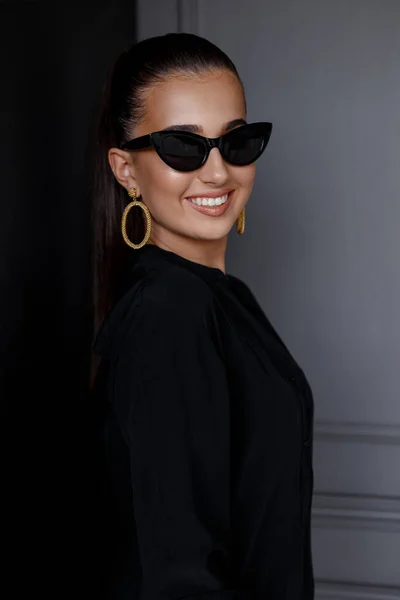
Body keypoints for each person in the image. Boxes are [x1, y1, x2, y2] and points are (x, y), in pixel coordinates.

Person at [91, 32, 315, 600]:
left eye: (236, 142)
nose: (218, 173)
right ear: (125, 169)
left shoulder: (223, 298)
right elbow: (181, 574)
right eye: (182, 147)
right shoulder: (172, 312)